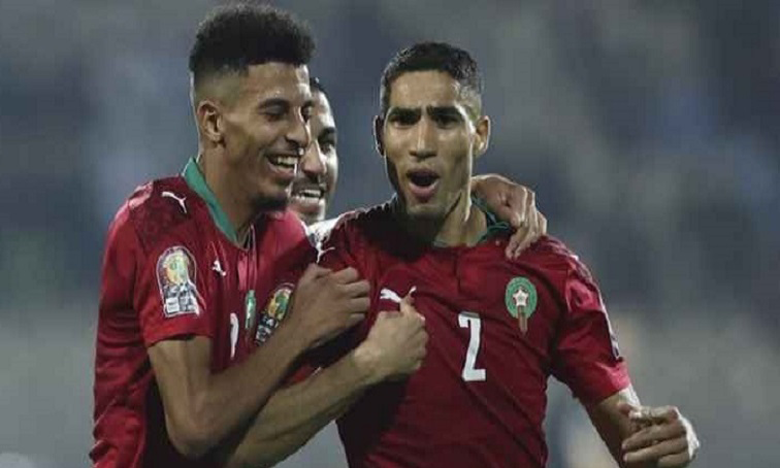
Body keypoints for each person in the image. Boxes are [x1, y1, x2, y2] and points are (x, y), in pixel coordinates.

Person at [92, 5, 544, 467]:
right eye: (275, 113)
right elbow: (194, 428)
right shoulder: (162, 227)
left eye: (304, 115)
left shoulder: (284, 239)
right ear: (213, 123)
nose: (298, 136)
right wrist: (332, 350)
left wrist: (463, 194)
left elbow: (364, 239)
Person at [307, 42, 699, 467]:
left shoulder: (548, 270)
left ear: (479, 134)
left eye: (444, 120)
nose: (422, 142)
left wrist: (673, 444)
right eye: (404, 120)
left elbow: (638, 446)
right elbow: (257, 425)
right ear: (380, 136)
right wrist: (363, 367)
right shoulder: (344, 256)